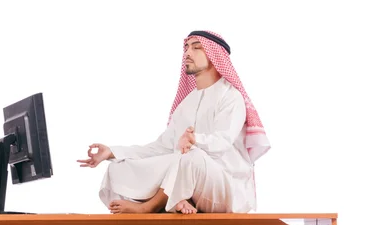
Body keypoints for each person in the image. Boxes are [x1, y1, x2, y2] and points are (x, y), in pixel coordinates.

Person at [77, 30, 270, 214]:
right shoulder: (187, 103)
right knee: (119, 166)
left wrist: (194, 140)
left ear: (214, 55)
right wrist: (112, 152)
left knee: (191, 156)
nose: (187, 53)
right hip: (189, 174)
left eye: (196, 47)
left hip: (224, 187)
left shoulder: (231, 97)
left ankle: (150, 207)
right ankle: (177, 199)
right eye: (186, 47)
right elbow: (160, 148)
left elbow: (222, 143)